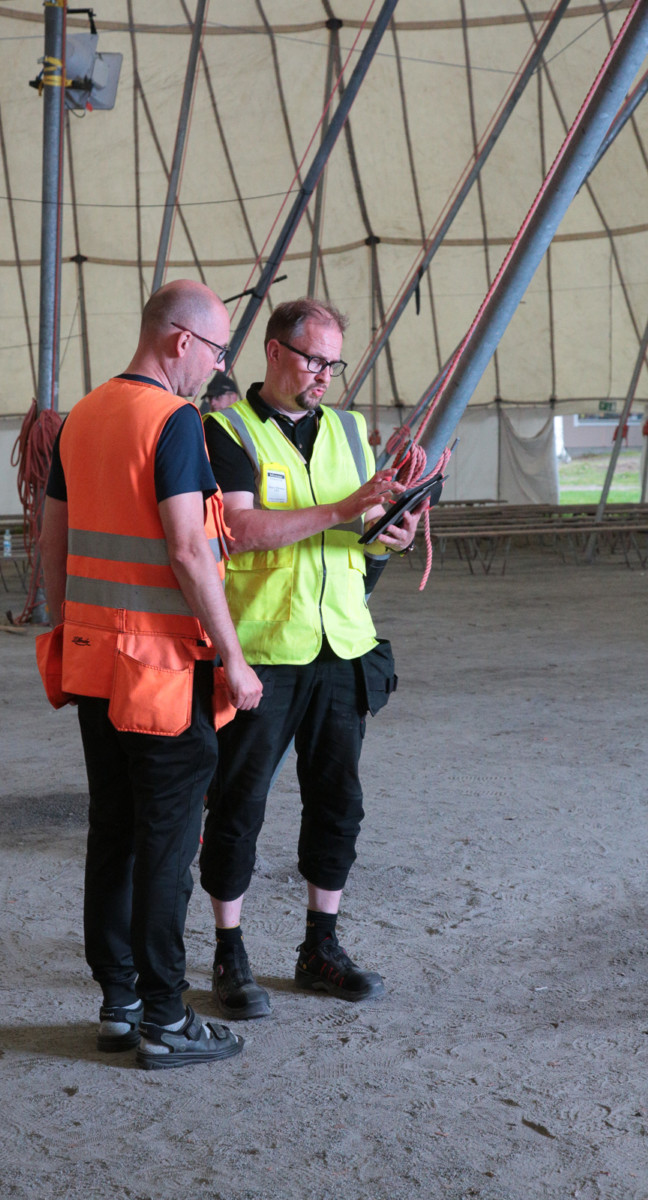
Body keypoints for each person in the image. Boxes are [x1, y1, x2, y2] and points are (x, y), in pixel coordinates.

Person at [39, 279, 263, 1069]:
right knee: (166, 848)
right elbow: (189, 548)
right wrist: (233, 656)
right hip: (162, 675)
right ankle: (167, 1018)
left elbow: (53, 539)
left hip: (94, 666)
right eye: (216, 350)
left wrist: (70, 626)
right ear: (180, 341)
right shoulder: (173, 421)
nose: (217, 367)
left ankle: (120, 1003)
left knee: (114, 833)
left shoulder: (83, 418)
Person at [199, 297, 422, 1021]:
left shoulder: (351, 432)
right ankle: (229, 952)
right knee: (238, 805)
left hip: (343, 646)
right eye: (312, 360)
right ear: (273, 352)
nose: (325, 375)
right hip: (263, 651)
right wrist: (345, 509)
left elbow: (361, 532)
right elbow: (239, 529)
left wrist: (390, 532)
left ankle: (319, 946)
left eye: (334, 363)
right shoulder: (225, 430)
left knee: (338, 803)